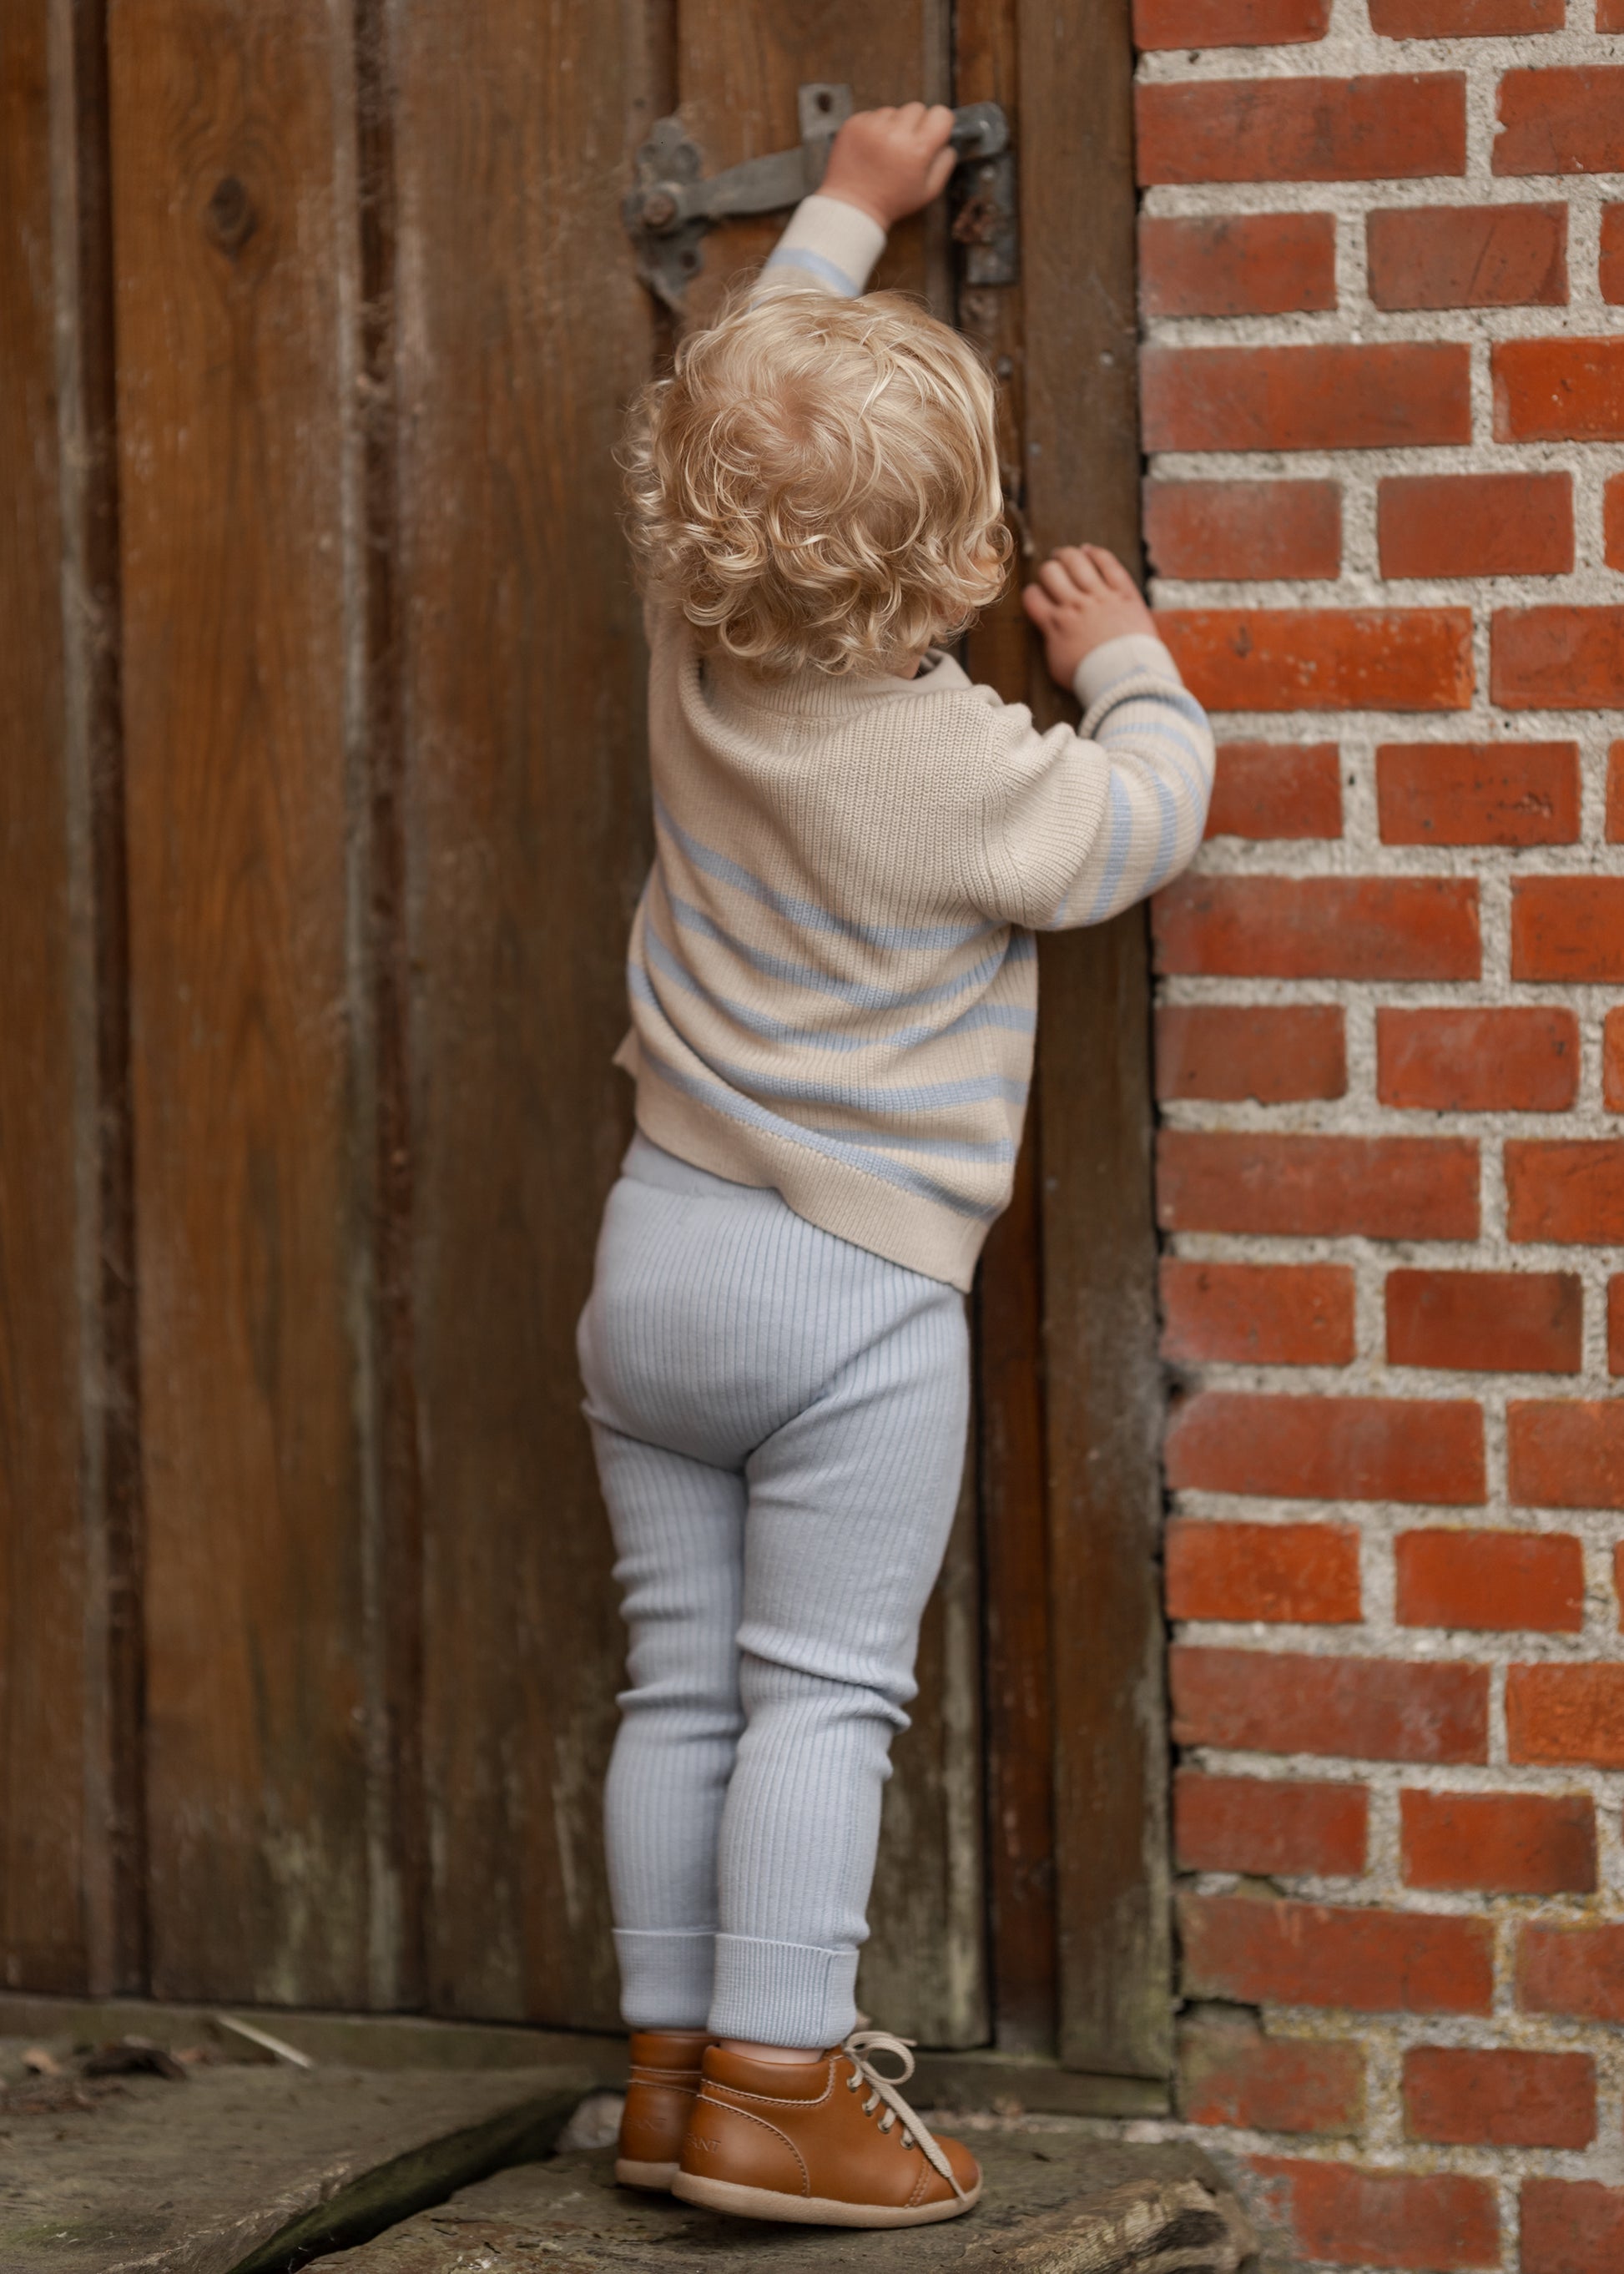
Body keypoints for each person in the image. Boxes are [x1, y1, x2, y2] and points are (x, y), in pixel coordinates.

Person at [577, 101, 1214, 2230]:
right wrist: (1124, 664)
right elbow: (1138, 827)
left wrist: (840, 218)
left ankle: (669, 2070)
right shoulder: (958, 762)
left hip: (657, 1254)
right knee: (820, 1695)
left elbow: (738, 393)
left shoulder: (700, 656)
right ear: (959, 566)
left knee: (681, 1679)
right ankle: (779, 2082)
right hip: (850, 1299)